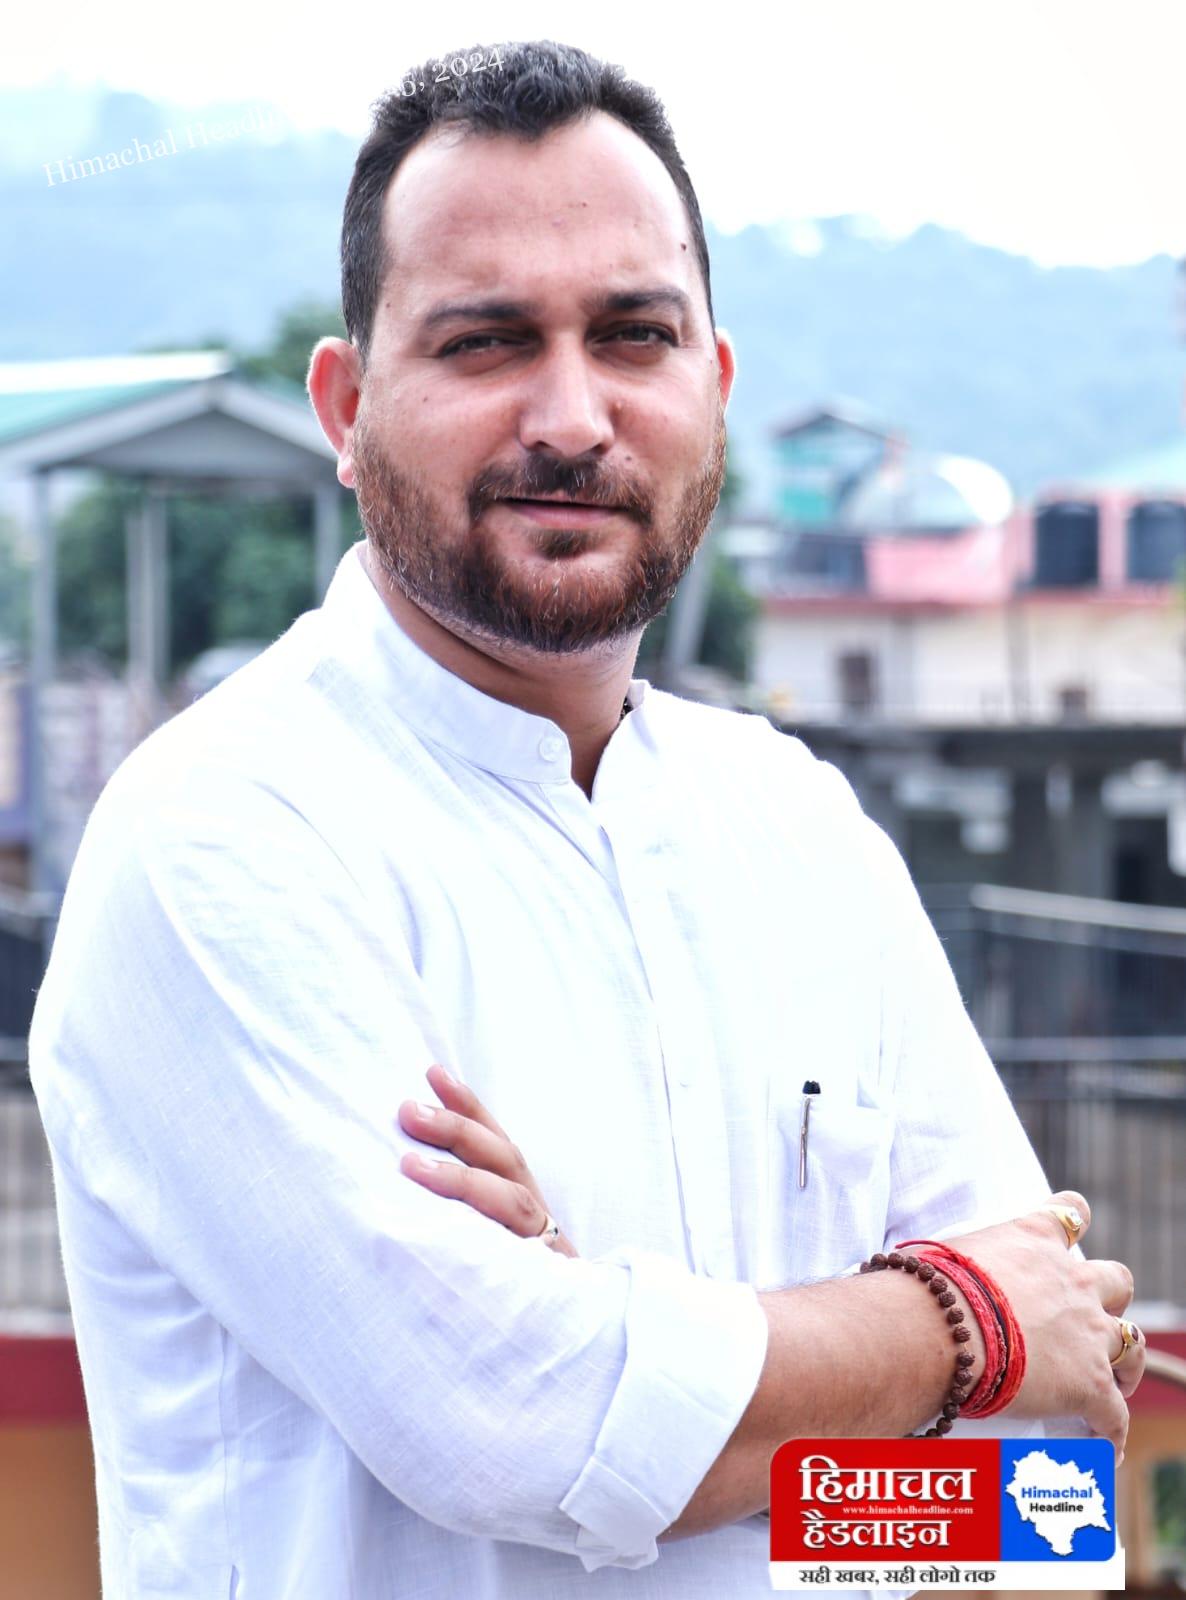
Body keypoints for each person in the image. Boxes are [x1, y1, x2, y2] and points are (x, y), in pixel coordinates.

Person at [28, 37, 1144, 1600]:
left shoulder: (800, 834)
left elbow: (1041, 1510)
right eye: (485, 342)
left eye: (633, 335)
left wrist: (632, 1361)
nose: (569, 415)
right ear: (347, 408)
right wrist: (951, 1325)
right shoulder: (225, 835)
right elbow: (514, 1435)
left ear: (714, 386)